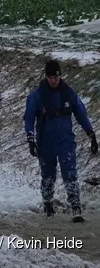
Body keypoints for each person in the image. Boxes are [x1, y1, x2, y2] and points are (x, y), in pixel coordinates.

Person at [24, 59, 98, 222]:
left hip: (66, 141)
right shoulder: (36, 96)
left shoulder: (68, 93)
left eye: (57, 77)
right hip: (46, 142)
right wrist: (31, 139)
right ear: (46, 77)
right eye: (52, 77)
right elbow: (28, 118)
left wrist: (91, 134)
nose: (55, 80)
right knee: (48, 176)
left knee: (70, 173)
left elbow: (81, 113)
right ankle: (48, 204)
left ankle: (76, 207)